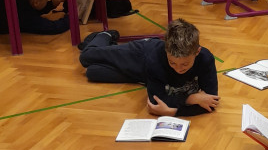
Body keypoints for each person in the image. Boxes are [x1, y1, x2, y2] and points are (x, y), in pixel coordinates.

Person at [78, 18, 219, 116]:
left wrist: (172, 112)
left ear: (197, 52)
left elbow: (210, 103)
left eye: (185, 64)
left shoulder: (206, 59)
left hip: (144, 75)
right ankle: (105, 35)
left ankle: (111, 50)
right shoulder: (155, 58)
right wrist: (191, 99)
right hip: (139, 56)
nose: (178, 69)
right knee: (86, 57)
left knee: (92, 72)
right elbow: (156, 100)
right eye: (172, 63)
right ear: (165, 50)